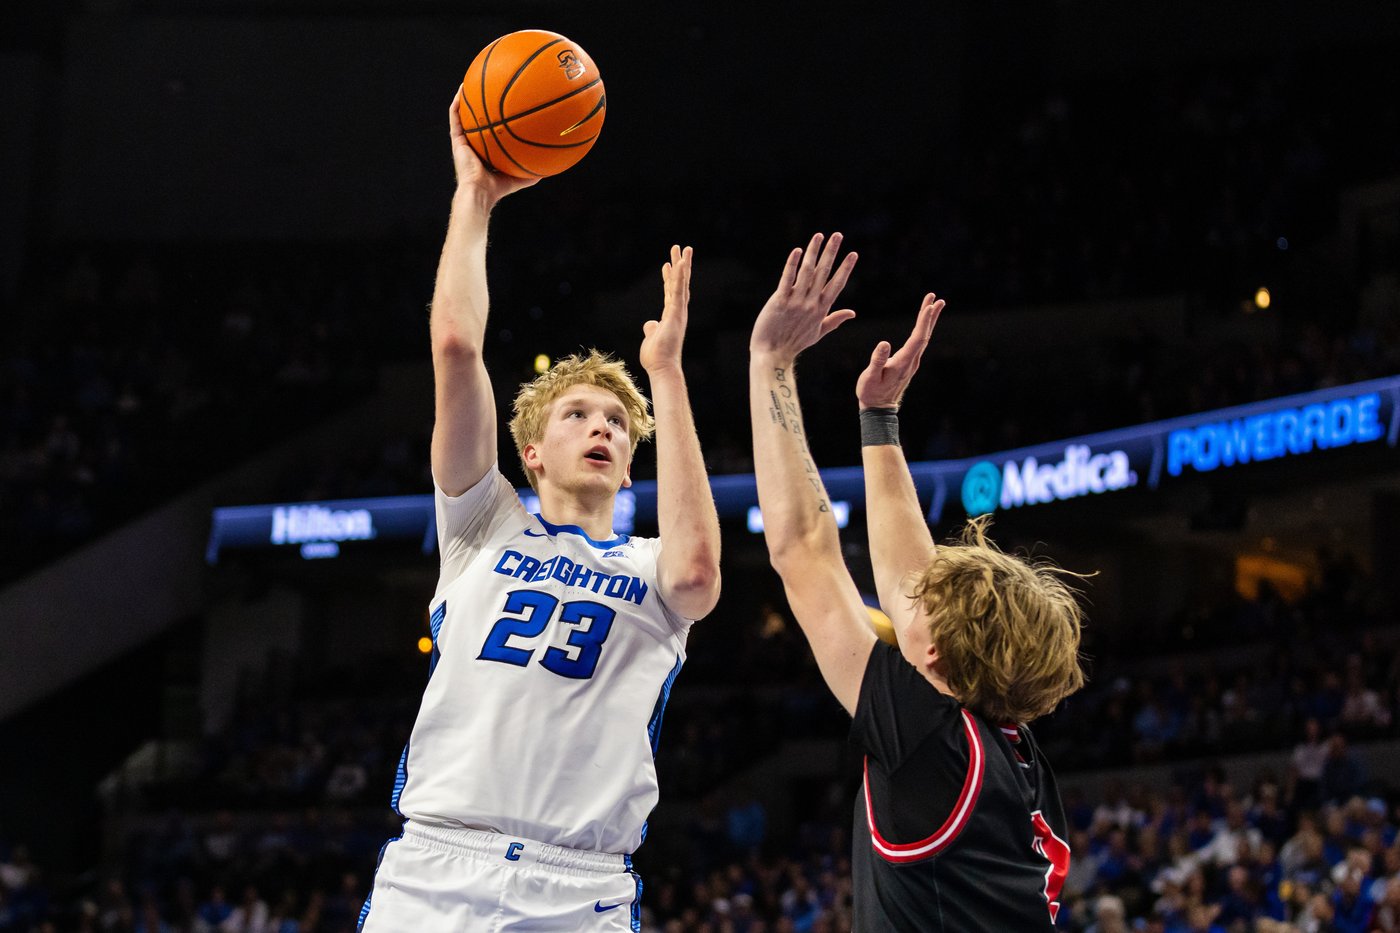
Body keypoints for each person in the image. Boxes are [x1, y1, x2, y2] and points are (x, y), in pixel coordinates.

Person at [358, 90, 722, 932]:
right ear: (531, 452)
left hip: (579, 883)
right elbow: (455, 345)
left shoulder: (654, 571)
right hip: (439, 865)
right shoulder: (484, 526)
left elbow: (701, 572)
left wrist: (663, 375)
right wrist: (475, 197)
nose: (602, 426)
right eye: (579, 415)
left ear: (632, 461)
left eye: (618, 423)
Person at [747, 232, 1086, 930]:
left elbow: (804, 551)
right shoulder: (1010, 753)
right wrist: (880, 422)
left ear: (934, 654)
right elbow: (908, 576)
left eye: (926, 606)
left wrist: (772, 364)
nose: (912, 590)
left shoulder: (936, 742)